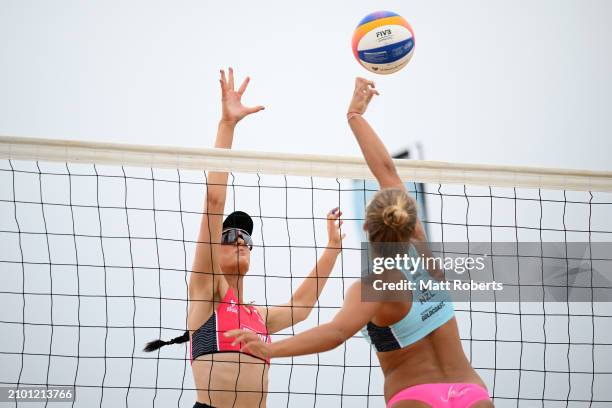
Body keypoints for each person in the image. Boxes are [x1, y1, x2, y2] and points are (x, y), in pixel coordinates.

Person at [227, 78, 494, 408]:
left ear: (366, 226)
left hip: (416, 396)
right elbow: (388, 172)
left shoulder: (375, 288)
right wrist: (355, 115)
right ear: (410, 222)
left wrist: (269, 349)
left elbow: (335, 333)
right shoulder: (428, 258)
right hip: (471, 392)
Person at [143, 68, 345, 408]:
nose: (240, 240)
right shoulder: (207, 295)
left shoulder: (260, 316)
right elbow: (214, 202)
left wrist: (332, 249)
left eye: (246, 238)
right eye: (230, 235)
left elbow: (302, 306)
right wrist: (227, 125)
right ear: (213, 250)